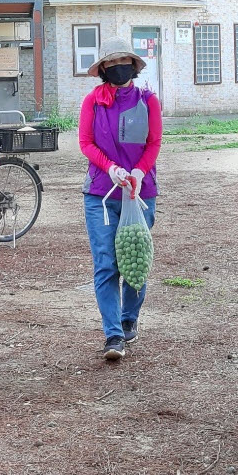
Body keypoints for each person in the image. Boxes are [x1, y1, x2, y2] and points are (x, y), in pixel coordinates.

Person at [79, 37, 162, 361]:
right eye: (110, 65)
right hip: (101, 192)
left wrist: (139, 173)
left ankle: (129, 319)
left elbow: (154, 142)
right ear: (103, 70)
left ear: (133, 65)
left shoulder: (148, 101)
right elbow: (85, 142)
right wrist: (110, 168)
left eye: (122, 62)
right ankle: (113, 335)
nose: (117, 69)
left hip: (141, 193)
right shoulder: (93, 102)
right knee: (106, 264)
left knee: (135, 262)